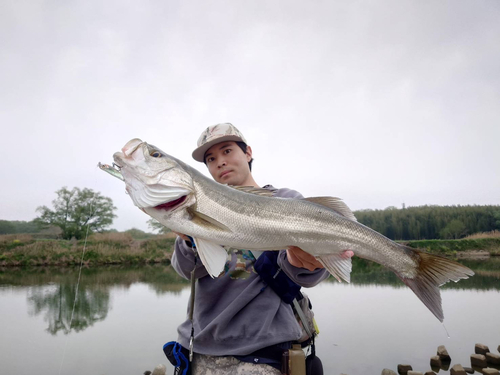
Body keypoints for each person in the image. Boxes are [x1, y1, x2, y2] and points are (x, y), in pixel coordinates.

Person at [170, 123, 333, 375]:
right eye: (211, 159)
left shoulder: (286, 201)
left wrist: (306, 262)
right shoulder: (198, 207)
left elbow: (308, 274)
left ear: (248, 153)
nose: (220, 162)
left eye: (227, 151)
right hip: (202, 349)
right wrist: (190, 240)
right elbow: (187, 270)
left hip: (267, 351)